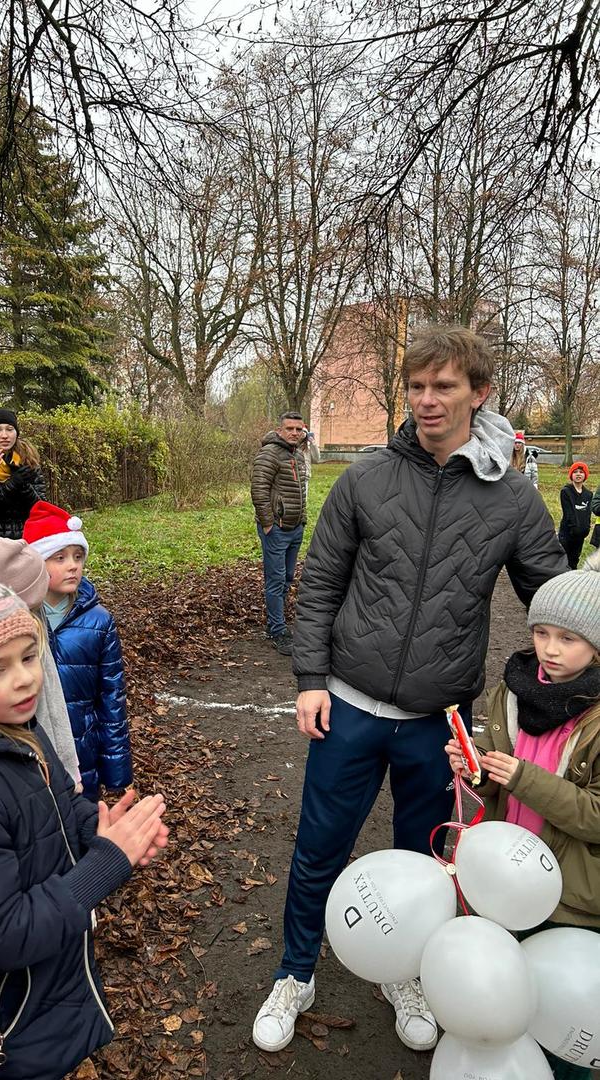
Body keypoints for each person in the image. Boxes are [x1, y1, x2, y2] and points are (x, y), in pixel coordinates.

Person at [252, 325, 569, 1056]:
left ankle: (406, 974)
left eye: (444, 386)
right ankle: (295, 973)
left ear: (478, 393)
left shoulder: (512, 498)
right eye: (417, 386)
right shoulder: (365, 478)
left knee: (426, 861)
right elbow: (320, 584)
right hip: (350, 707)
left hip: (439, 720)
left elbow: (552, 597)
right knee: (319, 850)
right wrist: (310, 679)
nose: (427, 399)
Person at [0, 578, 168, 1079]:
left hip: (44, 998)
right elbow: (6, 934)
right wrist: (106, 862)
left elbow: (58, 802)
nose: (25, 679)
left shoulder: (15, 728)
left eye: (29, 657)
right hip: (4, 1027)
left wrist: (98, 830)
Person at [446, 559, 600, 1080]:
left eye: (568, 639)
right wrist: (475, 767)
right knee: (496, 998)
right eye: (541, 633)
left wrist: (522, 777)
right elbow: (496, 781)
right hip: (502, 878)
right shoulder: (511, 692)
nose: (550, 649)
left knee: (560, 1019)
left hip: (567, 898)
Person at [23, 501, 133, 800]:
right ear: (36, 563)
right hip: (32, 751)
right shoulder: (20, 618)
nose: (73, 565)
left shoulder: (99, 622)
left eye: (78, 556)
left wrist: (117, 774)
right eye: (59, 557)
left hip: (83, 754)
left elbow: (112, 700)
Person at [0, 534, 82, 788]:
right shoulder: (28, 632)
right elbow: (49, 707)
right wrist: (67, 770)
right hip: (38, 767)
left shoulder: (33, 619)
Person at [251, 412, 308, 656]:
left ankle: (276, 622)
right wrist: (268, 524)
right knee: (275, 581)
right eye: (289, 429)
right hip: (276, 529)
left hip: (295, 528)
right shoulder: (270, 453)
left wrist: (302, 520)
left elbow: (301, 490)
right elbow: (258, 489)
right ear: (280, 430)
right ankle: (277, 631)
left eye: (298, 429)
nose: (294, 433)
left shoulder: (297, 454)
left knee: (286, 579)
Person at [0, 408, 47, 540]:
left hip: (26, 538)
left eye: (9, 429)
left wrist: (24, 486)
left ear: (16, 433)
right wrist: (13, 483)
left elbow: (41, 507)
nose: (4, 435)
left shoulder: (28, 461)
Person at [559, 462, 593, 569]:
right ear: (571, 475)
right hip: (568, 533)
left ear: (585, 475)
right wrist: (574, 529)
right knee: (565, 560)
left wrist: (586, 528)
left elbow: (587, 513)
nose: (578, 474)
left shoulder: (588, 494)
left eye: (581, 472)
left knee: (574, 559)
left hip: (580, 534)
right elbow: (568, 513)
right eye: (575, 472)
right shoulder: (566, 492)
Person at [298, 429, 320, 500]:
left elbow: (316, 459)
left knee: (303, 500)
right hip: (294, 478)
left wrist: (313, 443)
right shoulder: (292, 447)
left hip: (305, 478)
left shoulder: (308, 450)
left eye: (304, 433)